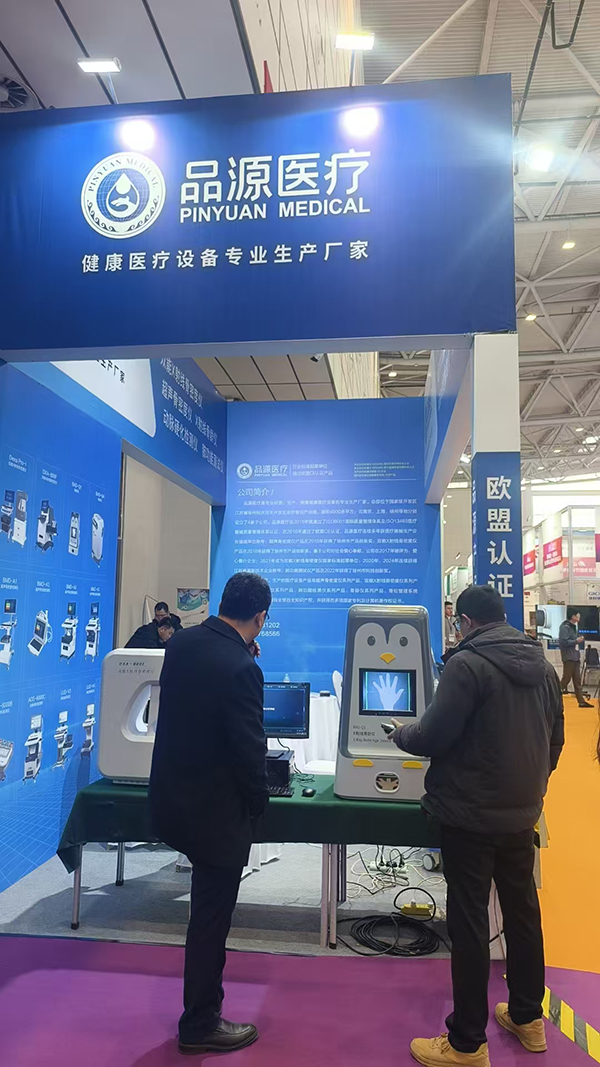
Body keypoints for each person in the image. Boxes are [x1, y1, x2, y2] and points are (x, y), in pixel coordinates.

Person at [389, 585, 564, 1067]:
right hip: (520, 813)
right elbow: (555, 740)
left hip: (468, 816)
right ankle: (528, 1017)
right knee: (522, 914)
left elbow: (434, 735)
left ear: (465, 621)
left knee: (469, 923)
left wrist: (399, 734)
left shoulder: (466, 666)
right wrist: (531, 789)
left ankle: (467, 1042)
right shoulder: (544, 668)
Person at [149, 572, 271, 1056]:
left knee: (204, 913)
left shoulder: (181, 644)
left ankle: (201, 1014)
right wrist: (259, 804)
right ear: (260, 617)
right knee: (210, 921)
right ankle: (200, 1022)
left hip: (176, 798)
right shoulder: (242, 668)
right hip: (218, 813)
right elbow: (249, 749)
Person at [558, 610, 593, 707]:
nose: (579, 617)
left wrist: (577, 640)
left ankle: (581, 701)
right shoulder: (565, 627)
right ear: (573, 616)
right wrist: (576, 641)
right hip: (569, 657)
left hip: (575, 657)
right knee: (566, 679)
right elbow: (563, 642)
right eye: (578, 615)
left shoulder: (573, 627)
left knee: (577, 680)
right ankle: (553, 696)